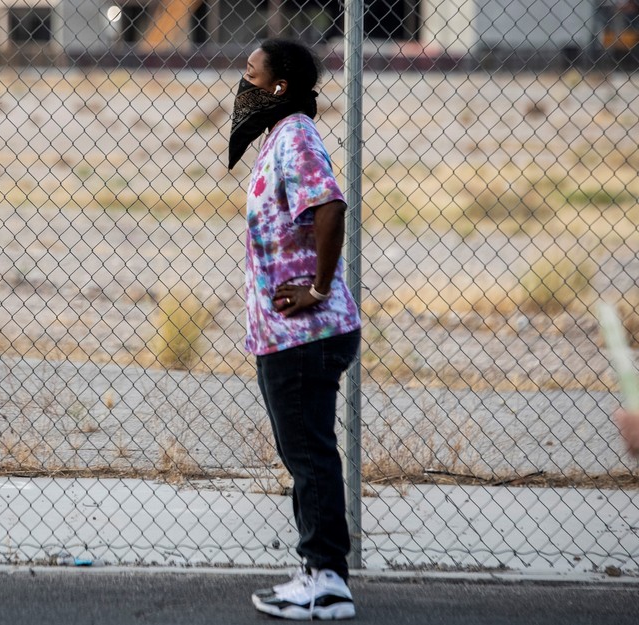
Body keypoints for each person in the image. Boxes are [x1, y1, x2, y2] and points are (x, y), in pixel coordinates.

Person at [227, 39, 361, 621]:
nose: (243, 82)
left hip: (305, 332)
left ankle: (327, 583)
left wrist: (318, 289)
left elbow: (330, 207)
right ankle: (316, 573)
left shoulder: (297, 136)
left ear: (279, 86)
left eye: (251, 73)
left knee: (309, 455)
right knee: (304, 454)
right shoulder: (281, 137)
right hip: (286, 335)